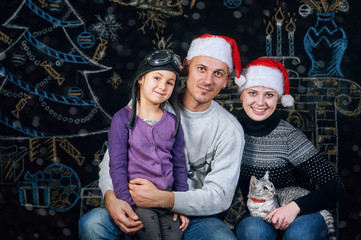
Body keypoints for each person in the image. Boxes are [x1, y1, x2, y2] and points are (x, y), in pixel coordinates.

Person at [78, 34, 245, 240]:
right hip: (134, 201)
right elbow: (112, 162)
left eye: (218, 73)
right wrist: (112, 198)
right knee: (93, 223)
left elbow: (220, 196)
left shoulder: (229, 129)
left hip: (189, 216)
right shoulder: (149, 104)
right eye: (201, 69)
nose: (208, 80)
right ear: (186, 67)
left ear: (226, 80)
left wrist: (166, 200)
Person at [229, 58, 345, 239]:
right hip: (260, 215)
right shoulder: (230, 132)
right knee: (253, 232)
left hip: (301, 213)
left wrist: (294, 207)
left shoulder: (288, 136)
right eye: (252, 93)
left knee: (300, 234)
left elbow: (335, 187)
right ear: (242, 94)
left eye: (269, 94)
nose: (260, 102)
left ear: (278, 98)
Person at [108, 49, 189, 239]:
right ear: (141, 78)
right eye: (157, 78)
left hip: (167, 201)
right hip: (138, 202)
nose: (163, 86)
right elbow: (117, 165)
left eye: (170, 82)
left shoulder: (173, 121)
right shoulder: (122, 119)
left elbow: (179, 165)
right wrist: (126, 201)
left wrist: (181, 202)